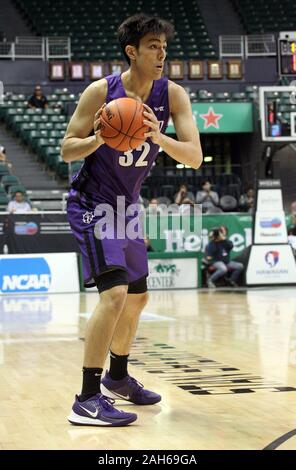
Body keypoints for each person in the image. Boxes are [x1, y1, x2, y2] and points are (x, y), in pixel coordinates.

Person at [61, 13, 203, 427]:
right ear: (132, 52)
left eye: (164, 47)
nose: (161, 54)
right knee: (115, 294)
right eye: (153, 47)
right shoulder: (99, 92)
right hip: (92, 202)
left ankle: (118, 377)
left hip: (128, 206)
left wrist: (156, 135)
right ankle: (87, 399)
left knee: (139, 297)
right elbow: (67, 149)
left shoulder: (172, 95)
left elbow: (193, 156)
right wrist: (97, 139)